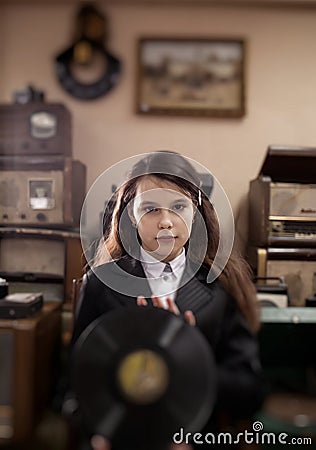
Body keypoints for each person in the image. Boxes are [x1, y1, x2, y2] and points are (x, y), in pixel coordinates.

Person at [71, 151, 264, 450]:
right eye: (149, 209)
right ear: (129, 215)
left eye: (178, 206)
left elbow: (248, 389)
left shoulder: (223, 287)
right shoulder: (100, 284)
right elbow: (72, 382)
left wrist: (187, 355)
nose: (165, 222)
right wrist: (96, 434)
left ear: (196, 211)